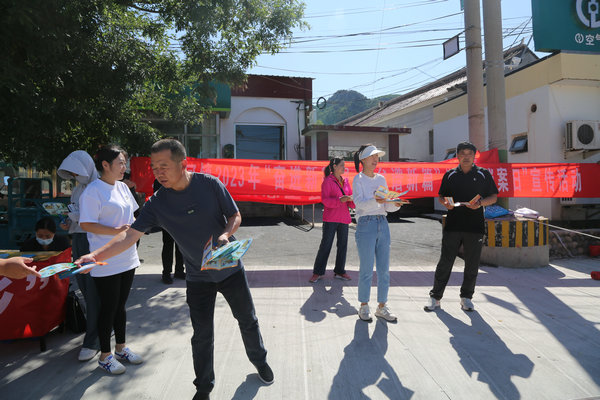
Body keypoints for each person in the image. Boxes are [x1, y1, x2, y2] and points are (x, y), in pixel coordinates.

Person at [76, 139, 272, 399]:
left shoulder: (209, 185)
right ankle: (203, 387)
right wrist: (94, 255)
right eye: (154, 166)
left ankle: (259, 360)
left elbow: (235, 215)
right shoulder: (157, 202)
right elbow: (129, 236)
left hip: (229, 268)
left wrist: (226, 234)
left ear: (183, 163)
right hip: (197, 277)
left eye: (164, 166)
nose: (158, 172)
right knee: (202, 334)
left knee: (248, 320)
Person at [79, 145, 142, 375]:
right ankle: (104, 356)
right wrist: (116, 230)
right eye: (120, 162)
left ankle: (121, 348)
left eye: (125, 162)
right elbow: (86, 223)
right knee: (108, 307)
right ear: (105, 165)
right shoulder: (93, 191)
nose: (124, 167)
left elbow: (134, 216)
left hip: (127, 255)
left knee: (121, 306)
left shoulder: (123, 188)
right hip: (105, 258)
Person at [424, 141, 498, 312]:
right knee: (445, 262)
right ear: (457, 156)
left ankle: (466, 297)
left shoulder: (483, 174)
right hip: (453, 225)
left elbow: (493, 196)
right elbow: (441, 196)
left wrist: (480, 204)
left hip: (475, 226)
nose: (466, 157)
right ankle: (435, 297)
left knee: (472, 264)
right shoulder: (450, 175)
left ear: (474, 156)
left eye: (469, 154)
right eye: (462, 154)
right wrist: (446, 204)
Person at [57, 150, 102, 362]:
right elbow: (75, 215)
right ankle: (99, 331)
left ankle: (93, 340)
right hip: (79, 240)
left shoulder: (100, 187)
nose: (75, 177)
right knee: (85, 289)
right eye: (72, 174)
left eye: (77, 173)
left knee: (93, 292)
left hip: (95, 242)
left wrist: (80, 219)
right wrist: (69, 222)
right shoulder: (78, 190)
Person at [352, 144, 401, 323]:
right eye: (372, 156)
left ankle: (382, 306)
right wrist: (376, 200)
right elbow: (359, 204)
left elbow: (386, 205)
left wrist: (395, 204)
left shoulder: (381, 179)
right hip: (366, 224)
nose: (375, 159)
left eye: (377, 157)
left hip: (383, 222)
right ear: (363, 159)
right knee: (366, 269)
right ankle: (364, 306)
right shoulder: (358, 179)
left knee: (384, 269)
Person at [309, 158, 355, 283]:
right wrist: (340, 200)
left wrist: (352, 200)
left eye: (344, 165)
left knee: (343, 246)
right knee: (326, 245)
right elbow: (325, 200)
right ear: (334, 166)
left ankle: (340, 271)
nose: (344, 167)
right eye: (341, 165)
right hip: (331, 218)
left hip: (344, 218)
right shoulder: (327, 181)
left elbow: (350, 198)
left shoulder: (345, 181)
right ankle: (317, 273)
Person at [153, 179, 185, 284]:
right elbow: (158, 199)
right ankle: (166, 273)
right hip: (167, 218)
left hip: (181, 217)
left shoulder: (182, 179)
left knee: (181, 246)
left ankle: (179, 270)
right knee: (168, 245)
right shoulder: (160, 180)